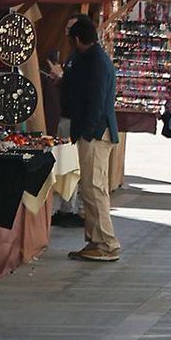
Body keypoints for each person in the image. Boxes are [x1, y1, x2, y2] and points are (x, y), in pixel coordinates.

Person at [59, 16, 120, 262]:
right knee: (91, 187)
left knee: (94, 188)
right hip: (95, 131)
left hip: (96, 133)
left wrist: (87, 132)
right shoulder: (93, 58)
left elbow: (96, 101)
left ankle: (106, 243)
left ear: (76, 39)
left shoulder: (95, 62)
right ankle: (96, 240)